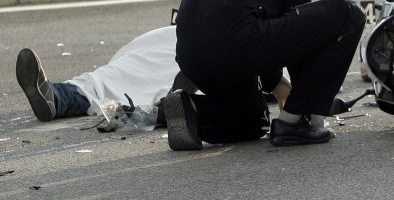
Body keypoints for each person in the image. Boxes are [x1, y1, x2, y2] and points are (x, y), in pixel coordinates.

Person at [164, 0, 365, 150]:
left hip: (191, 58)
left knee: (252, 121)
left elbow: (240, 12)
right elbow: (298, 21)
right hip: (238, 44)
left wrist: (275, 81)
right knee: (348, 12)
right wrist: (304, 107)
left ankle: (195, 110)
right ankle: (295, 124)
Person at [15, 26, 291, 125]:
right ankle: (165, 109)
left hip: (181, 38)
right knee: (121, 77)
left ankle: (59, 97)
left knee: (110, 78)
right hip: (199, 47)